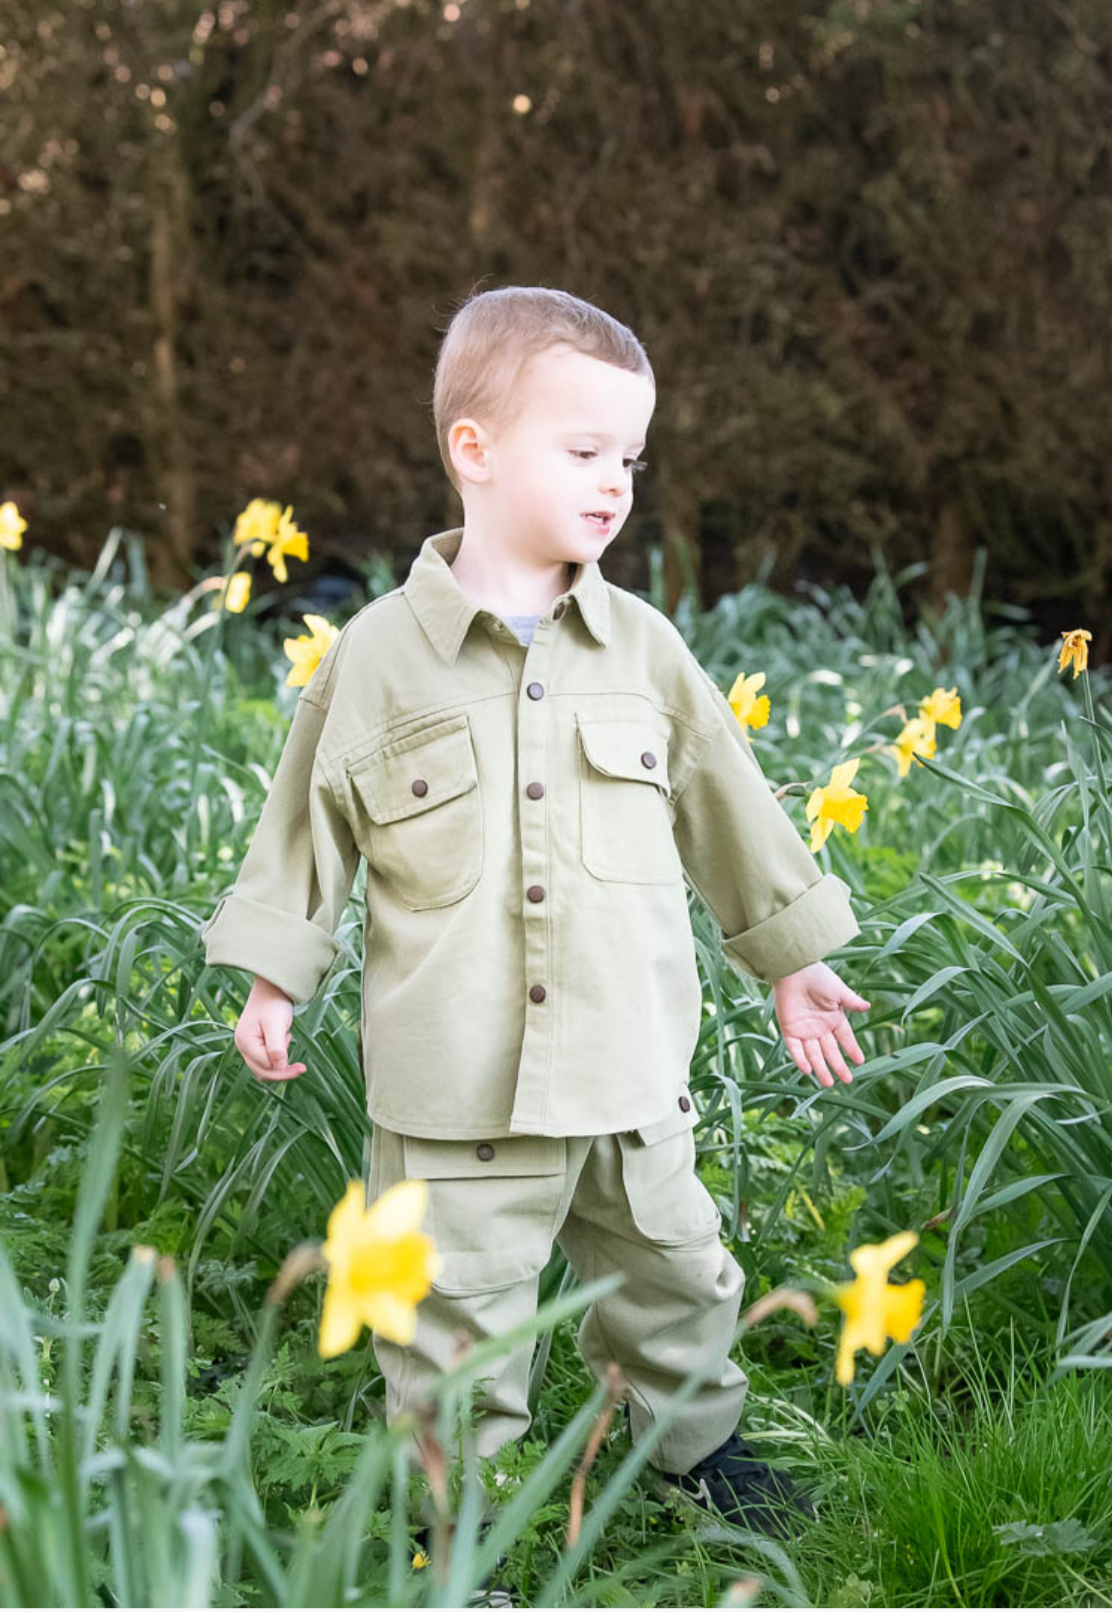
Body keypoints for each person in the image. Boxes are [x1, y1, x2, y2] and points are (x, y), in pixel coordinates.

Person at [201, 285, 870, 1559]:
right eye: (585, 452)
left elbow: (729, 803)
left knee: (680, 1277)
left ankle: (698, 1451)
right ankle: (466, 1536)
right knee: (452, 1321)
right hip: (455, 1088)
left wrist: (791, 960)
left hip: (628, 1070)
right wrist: (274, 977)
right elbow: (306, 824)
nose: (615, 482)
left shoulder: (646, 651)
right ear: (476, 450)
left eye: (630, 457)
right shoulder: (375, 660)